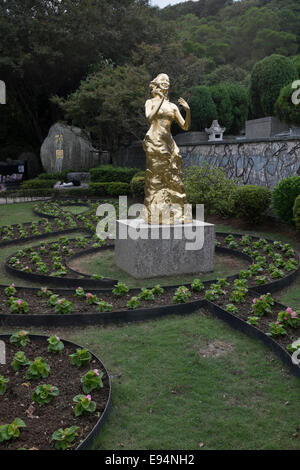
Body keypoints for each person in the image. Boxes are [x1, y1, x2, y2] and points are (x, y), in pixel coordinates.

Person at [142, 73, 192, 224]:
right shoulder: (149, 102)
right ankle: (155, 212)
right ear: (156, 84)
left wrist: (188, 111)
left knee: (174, 174)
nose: (166, 82)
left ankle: (176, 212)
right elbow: (150, 118)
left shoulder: (173, 106)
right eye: (163, 80)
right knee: (156, 176)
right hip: (155, 140)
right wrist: (160, 99)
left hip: (169, 142)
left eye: (168, 81)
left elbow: (185, 126)